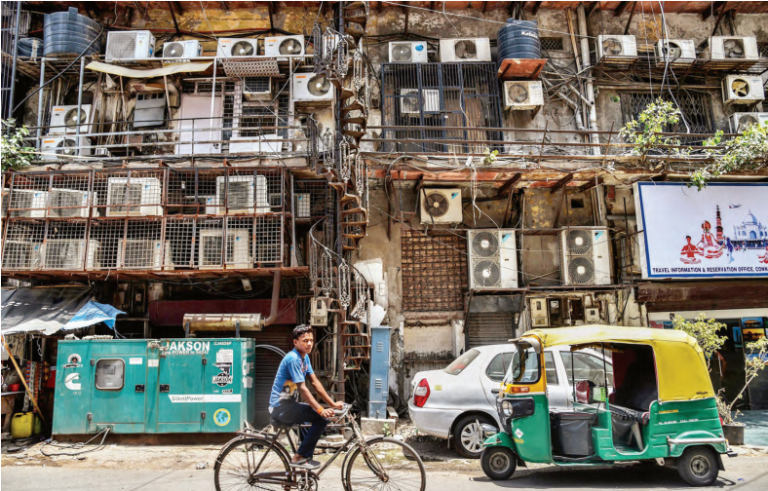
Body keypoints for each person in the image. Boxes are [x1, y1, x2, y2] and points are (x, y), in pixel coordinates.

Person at [269, 325, 343, 469]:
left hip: (289, 405)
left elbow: (315, 383)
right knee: (321, 418)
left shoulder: (305, 357)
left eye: (311, 340)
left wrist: (332, 404)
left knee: (310, 423)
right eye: (305, 340)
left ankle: (304, 461)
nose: (309, 343)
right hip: (280, 408)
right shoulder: (293, 359)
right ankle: (298, 457)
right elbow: (303, 388)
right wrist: (321, 409)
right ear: (295, 342)